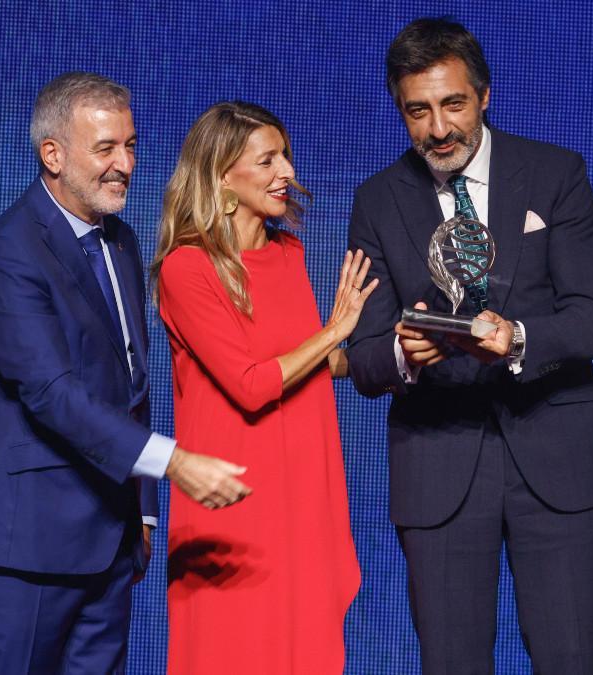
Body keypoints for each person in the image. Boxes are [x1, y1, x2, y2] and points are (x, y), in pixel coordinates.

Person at [0, 72, 250, 675]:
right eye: (105, 148)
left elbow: (132, 384)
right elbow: (52, 393)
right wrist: (173, 462)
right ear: (52, 155)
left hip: (108, 544)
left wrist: (143, 508)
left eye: (130, 145)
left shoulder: (124, 243)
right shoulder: (7, 254)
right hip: (21, 551)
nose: (125, 164)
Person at [345, 18, 593, 675]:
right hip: (438, 466)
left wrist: (518, 336)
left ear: (485, 96)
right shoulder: (378, 200)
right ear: (399, 110)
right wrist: (403, 355)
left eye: (453, 104)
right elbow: (362, 355)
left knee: (572, 658)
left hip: (556, 460)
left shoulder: (556, 174)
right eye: (418, 111)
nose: (438, 128)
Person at [153, 101, 370, 674]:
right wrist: (333, 333)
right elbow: (251, 385)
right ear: (222, 174)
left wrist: (391, 354)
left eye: (286, 158)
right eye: (267, 160)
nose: (287, 174)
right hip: (235, 499)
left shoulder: (288, 254)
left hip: (303, 496)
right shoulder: (187, 268)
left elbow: (305, 365)